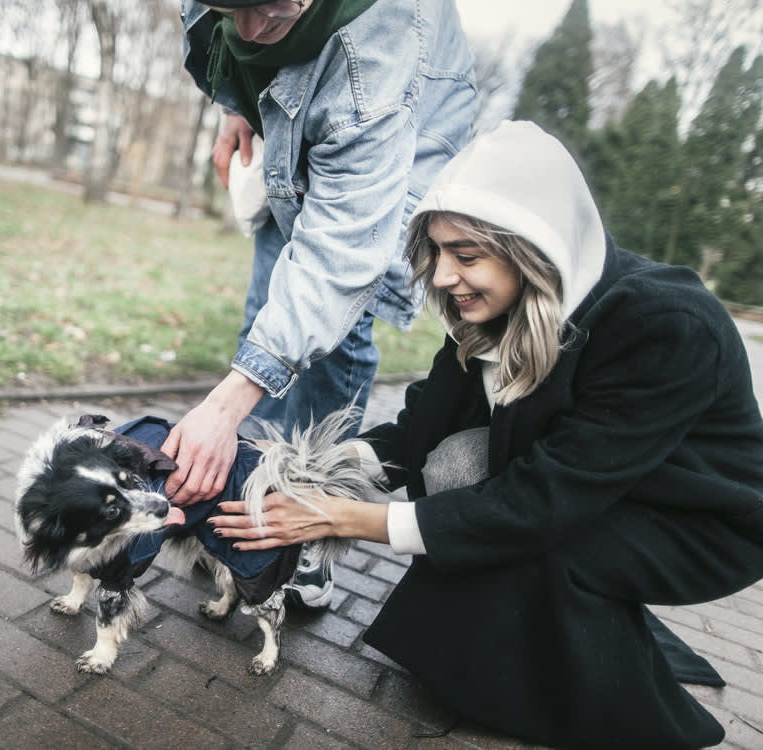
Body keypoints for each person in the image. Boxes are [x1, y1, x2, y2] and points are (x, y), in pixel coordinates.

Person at [207, 120, 763, 749]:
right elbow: (420, 432)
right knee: (465, 482)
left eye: (466, 256)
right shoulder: (494, 308)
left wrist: (349, 519)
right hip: (589, 480)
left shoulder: (665, 323)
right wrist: (313, 467)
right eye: (437, 253)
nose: (443, 277)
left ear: (533, 250)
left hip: (694, 517)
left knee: (530, 536)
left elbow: (545, 498)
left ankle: (611, 695)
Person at [164, 0, 477, 608]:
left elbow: (340, 259)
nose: (249, 30)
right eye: (233, 7)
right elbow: (239, 33)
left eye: (271, 7)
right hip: (294, 133)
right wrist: (236, 106)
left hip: (389, 137)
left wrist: (222, 409)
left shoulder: (379, 46)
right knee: (266, 320)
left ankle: (306, 524)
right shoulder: (251, 20)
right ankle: (243, 505)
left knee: (334, 335)